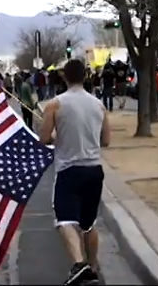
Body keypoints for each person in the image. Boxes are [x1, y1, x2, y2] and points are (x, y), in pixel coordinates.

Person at [39, 59, 111, 285]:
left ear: (64, 77)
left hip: (69, 169)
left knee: (65, 220)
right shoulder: (99, 105)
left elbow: (44, 139)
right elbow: (106, 140)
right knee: (89, 224)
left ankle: (79, 266)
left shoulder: (55, 104)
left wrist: (54, 137)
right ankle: (93, 266)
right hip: (94, 170)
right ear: (86, 76)